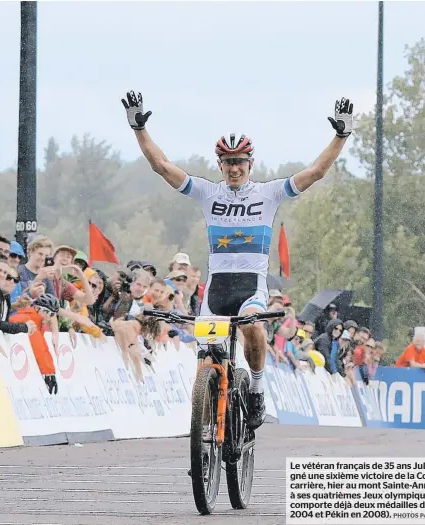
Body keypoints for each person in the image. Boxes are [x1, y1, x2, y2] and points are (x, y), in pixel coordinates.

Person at [121, 90, 354, 429]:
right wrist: (138, 129)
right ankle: (204, 431)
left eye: (240, 161)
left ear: (250, 164)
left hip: (251, 286)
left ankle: (256, 390)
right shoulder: (207, 193)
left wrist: (341, 135)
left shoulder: (269, 193)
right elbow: (162, 167)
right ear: (220, 165)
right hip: (216, 290)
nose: (234, 168)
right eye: (228, 162)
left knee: (251, 326)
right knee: (206, 358)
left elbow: (317, 171)